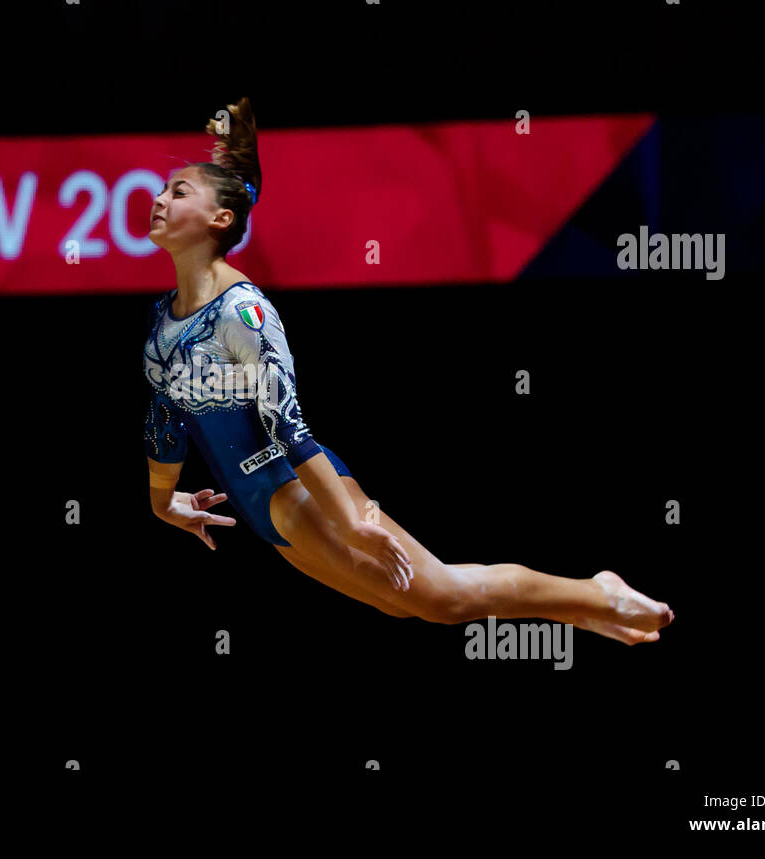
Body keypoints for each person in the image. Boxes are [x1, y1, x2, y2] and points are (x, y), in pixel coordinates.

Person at [143, 97, 674, 644]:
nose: (159, 198)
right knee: (408, 605)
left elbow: (287, 421)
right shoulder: (166, 318)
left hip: (296, 488)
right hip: (262, 510)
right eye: (162, 190)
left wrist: (350, 521)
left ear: (220, 219)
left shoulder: (241, 311)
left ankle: (595, 594)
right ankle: (573, 606)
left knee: (444, 598)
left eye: (178, 192)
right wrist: (164, 502)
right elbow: (167, 410)